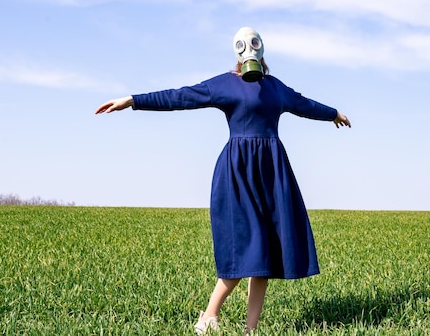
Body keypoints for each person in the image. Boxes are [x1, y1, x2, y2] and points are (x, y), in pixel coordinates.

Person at [95, 27, 351, 334]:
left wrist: (333, 113)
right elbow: (180, 96)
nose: (250, 50)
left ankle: (250, 330)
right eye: (245, 45)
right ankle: (208, 316)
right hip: (238, 173)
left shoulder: (276, 88)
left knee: (265, 256)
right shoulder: (225, 85)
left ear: (261, 50)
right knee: (247, 249)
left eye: (254, 44)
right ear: (238, 52)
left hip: (271, 172)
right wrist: (133, 100)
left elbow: (303, 103)